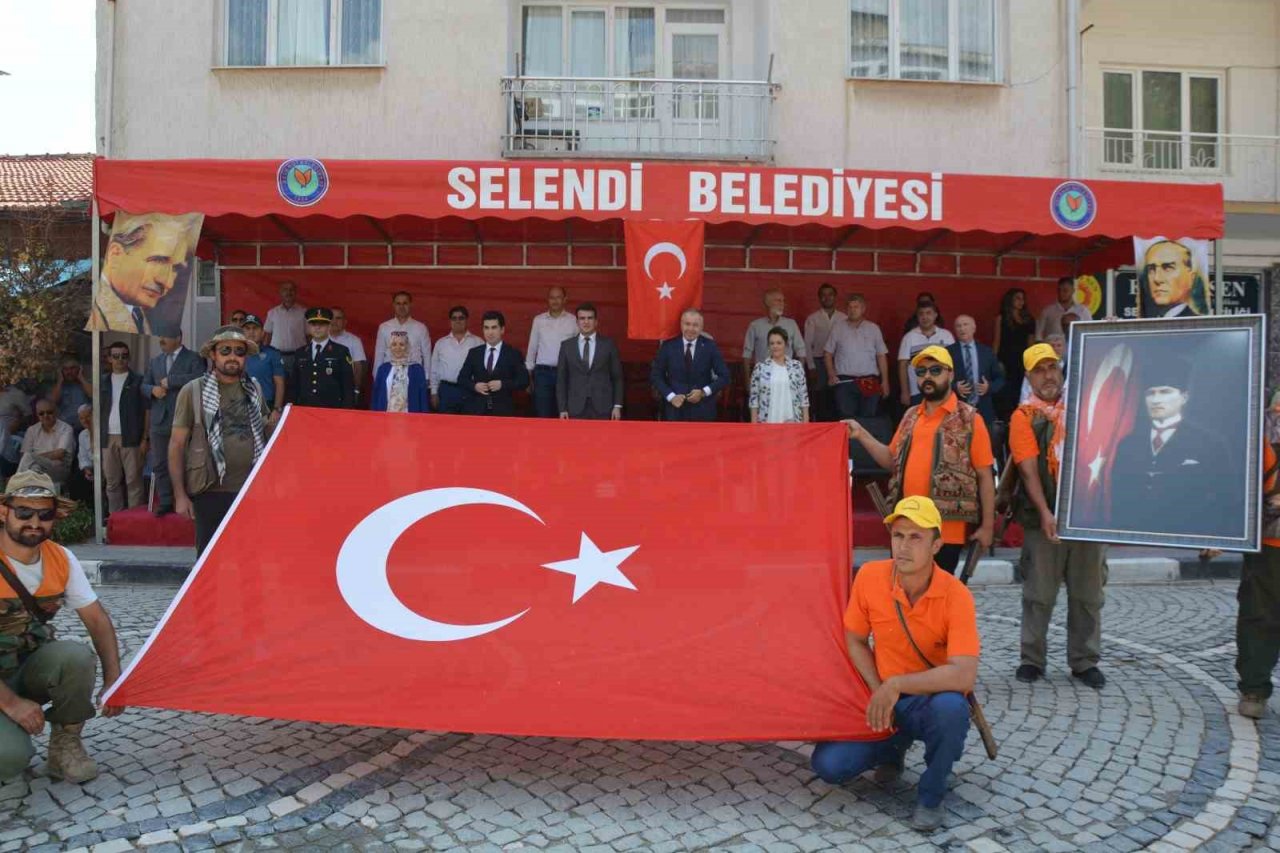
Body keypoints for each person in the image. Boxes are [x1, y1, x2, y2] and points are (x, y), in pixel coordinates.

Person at [811, 496, 978, 832]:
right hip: (883, 695)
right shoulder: (871, 577)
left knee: (952, 709)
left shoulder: (956, 595)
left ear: (936, 545)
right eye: (898, 536)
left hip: (926, 698)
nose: (903, 546)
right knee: (828, 765)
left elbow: (963, 673)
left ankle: (931, 795)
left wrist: (896, 685)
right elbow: (854, 639)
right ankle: (892, 749)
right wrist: (878, 691)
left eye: (916, 537)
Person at [0, 471, 125, 783]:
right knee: (10, 758)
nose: (34, 522)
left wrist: (114, 681)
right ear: (4, 511)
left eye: (45, 514)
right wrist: (12, 705)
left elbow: (96, 619)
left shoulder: (61, 558)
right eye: (24, 512)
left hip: (25, 666)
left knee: (75, 657)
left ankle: (65, 745)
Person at [1009, 344, 1108, 690]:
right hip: (1043, 521)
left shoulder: (1084, 408)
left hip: (1088, 519)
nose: (1048, 375)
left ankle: (1084, 661)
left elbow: (1111, 387)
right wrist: (1045, 512)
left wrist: (1108, 340)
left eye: (1052, 367)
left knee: (1088, 595)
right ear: (1029, 377)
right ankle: (1031, 660)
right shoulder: (1023, 417)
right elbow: (1027, 470)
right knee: (1039, 594)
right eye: (1039, 370)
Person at [848, 346, 996, 575]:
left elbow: (985, 476)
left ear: (951, 374)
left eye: (935, 370)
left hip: (946, 529)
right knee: (903, 594)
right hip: (906, 525)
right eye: (921, 371)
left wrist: (988, 527)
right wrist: (861, 434)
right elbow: (891, 460)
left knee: (936, 599)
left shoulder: (970, 419)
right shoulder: (910, 416)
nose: (927, 376)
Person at [170, 326, 271, 555]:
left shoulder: (254, 388)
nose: (232, 357)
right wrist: (180, 495)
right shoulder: (193, 391)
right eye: (225, 350)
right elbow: (176, 445)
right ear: (213, 355)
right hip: (209, 490)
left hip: (249, 489)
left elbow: (265, 429)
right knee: (209, 560)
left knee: (248, 558)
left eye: (239, 351)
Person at [1109, 358, 1234, 537]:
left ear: (1184, 397)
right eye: (1150, 393)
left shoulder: (1211, 443)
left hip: (1188, 539)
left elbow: (1226, 497)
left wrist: (1219, 539)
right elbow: (1119, 498)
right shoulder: (1128, 444)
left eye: (1165, 392)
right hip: (1135, 540)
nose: (1156, 400)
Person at [88, 213, 197, 336]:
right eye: (159, 260)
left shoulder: (138, 313)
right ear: (115, 254)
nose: (168, 283)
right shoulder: (98, 311)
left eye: (175, 268)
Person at [1237, 437, 1280, 719]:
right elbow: (1246, 485)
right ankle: (1254, 688)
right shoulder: (1264, 440)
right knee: (1260, 615)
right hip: (1271, 545)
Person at [141, 332, 204, 516]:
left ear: (178, 338)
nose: (161, 339)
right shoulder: (155, 361)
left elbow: (200, 378)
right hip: (159, 420)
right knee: (160, 462)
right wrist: (152, 389)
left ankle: (187, 498)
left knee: (186, 461)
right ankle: (166, 500)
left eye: (165, 336)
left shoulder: (193, 358)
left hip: (185, 418)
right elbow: (143, 385)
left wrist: (172, 381)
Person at [650, 309, 729, 422]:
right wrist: (671, 397)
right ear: (681, 325)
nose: (691, 329)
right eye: (687, 324)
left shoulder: (710, 346)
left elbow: (725, 376)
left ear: (701, 327)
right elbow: (656, 375)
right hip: (674, 411)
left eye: (695, 325)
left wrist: (703, 392)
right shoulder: (668, 346)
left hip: (703, 411)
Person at [99, 341, 148, 513]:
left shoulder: (138, 380)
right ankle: (116, 521)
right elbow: (95, 412)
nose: (120, 360)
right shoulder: (102, 381)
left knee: (133, 481)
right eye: (116, 356)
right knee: (111, 482)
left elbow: (147, 410)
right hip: (107, 437)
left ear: (129, 358)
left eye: (124, 356)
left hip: (131, 437)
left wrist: (144, 438)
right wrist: (94, 440)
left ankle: (135, 522)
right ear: (109, 359)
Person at [824, 293, 890, 419]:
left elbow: (881, 355)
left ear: (863, 309)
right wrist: (831, 375)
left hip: (869, 381)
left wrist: (885, 381)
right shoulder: (838, 328)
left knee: (869, 417)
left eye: (856, 307)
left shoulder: (873, 328)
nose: (852, 310)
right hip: (845, 382)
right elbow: (828, 353)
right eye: (850, 307)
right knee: (847, 420)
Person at [557, 303, 624, 421]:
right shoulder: (566, 346)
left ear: (596, 321)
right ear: (577, 322)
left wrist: (617, 406)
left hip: (603, 406)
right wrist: (562, 409)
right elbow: (561, 380)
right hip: (575, 407)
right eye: (582, 318)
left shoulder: (608, 345)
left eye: (590, 318)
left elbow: (617, 377)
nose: (586, 322)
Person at [457, 311, 529, 417]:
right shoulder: (474, 353)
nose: (490, 332)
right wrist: (475, 386)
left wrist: (503, 384)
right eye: (486, 328)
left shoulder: (513, 353)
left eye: (494, 327)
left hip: (503, 411)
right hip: (477, 410)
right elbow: (462, 378)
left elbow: (524, 380)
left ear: (502, 330)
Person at [526, 286, 578, 418]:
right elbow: (532, 348)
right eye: (552, 298)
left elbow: (579, 349)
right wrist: (528, 376)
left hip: (566, 373)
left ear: (565, 299)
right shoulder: (539, 320)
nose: (555, 301)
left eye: (558, 297)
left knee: (564, 413)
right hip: (542, 374)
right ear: (547, 300)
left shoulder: (573, 321)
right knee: (543, 413)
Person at [946, 315, 1005, 431]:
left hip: (983, 409)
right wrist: (954, 387)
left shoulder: (986, 352)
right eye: (958, 326)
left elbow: (1000, 379)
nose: (962, 329)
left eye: (965, 325)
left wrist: (989, 387)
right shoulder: (948, 352)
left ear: (974, 328)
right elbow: (941, 380)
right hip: (957, 410)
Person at [742, 289, 806, 391]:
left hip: (786, 379)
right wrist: (748, 381)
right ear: (767, 303)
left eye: (783, 301)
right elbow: (747, 355)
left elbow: (801, 351)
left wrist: (798, 377)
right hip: (762, 379)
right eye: (778, 300)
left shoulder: (791, 324)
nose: (782, 304)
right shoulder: (755, 326)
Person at [292, 308, 356, 410]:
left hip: (332, 409)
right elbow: (294, 384)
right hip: (304, 409)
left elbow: (347, 385)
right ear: (308, 327)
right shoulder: (300, 353)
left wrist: (346, 411)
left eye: (322, 324)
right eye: (313, 324)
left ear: (329, 326)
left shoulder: (341, 351)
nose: (317, 327)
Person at [898, 303, 955, 407]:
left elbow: (953, 363)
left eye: (928, 313)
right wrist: (905, 392)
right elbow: (903, 366)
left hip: (941, 390)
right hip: (917, 391)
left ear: (935, 315)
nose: (925, 317)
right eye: (921, 314)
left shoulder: (946, 336)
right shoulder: (909, 337)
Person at [749, 328, 810, 424]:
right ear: (768, 346)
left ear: (785, 344)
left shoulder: (796, 367)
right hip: (767, 422)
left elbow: (804, 397)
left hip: (792, 423)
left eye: (779, 343)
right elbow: (754, 399)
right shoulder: (760, 368)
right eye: (772, 343)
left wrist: (805, 422)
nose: (775, 346)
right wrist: (754, 424)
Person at [992, 288, 1036, 420]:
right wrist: (994, 362)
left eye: (1023, 298)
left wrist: (1031, 363)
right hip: (1005, 361)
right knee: (1006, 392)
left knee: (1020, 391)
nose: (1021, 301)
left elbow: (1031, 343)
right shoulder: (1001, 318)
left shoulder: (1029, 319)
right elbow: (996, 341)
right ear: (1010, 299)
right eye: (1017, 298)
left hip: (1022, 361)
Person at [430, 306, 483, 415]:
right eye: (454, 318)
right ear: (450, 321)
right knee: (446, 427)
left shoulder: (478, 342)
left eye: (461, 318)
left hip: (469, 390)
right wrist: (434, 393)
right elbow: (434, 370)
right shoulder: (441, 343)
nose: (458, 321)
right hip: (447, 390)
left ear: (467, 320)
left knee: (468, 427)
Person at [1140, 239, 1209, 318]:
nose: (1157, 279)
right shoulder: (1147, 324)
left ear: (1191, 278)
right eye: (1151, 269)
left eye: (1168, 268)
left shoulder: (1196, 325)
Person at [263, 281, 307, 401]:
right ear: (280, 292)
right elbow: (267, 336)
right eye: (285, 289)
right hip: (277, 356)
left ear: (296, 292)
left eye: (291, 289)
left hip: (298, 356)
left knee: (298, 385)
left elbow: (309, 336)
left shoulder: (303, 313)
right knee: (278, 385)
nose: (288, 292)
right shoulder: (272, 313)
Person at [17, 401, 75, 489]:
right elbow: (23, 456)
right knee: (34, 468)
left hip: (59, 468)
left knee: (29, 457)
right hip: (39, 468)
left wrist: (35, 458)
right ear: (37, 415)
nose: (45, 416)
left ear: (56, 412)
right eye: (41, 413)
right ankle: (31, 498)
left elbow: (60, 453)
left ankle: (15, 486)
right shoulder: (32, 430)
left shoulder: (66, 428)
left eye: (49, 412)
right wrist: (36, 460)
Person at [373, 292, 431, 380]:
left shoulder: (420, 328)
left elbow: (427, 355)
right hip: (389, 374)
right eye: (398, 303)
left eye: (405, 303)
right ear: (393, 305)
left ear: (411, 304)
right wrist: (377, 378)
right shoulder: (384, 327)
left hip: (413, 374)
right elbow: (379, 355)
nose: (401, 307)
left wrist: (427, 378)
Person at [804, 283, 841, 420]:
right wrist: (811, 366)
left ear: (835, 297)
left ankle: (835, 423)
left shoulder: (843, 318)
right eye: (823, 295)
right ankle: (820, 422)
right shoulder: (812, 318)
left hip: (838, 362)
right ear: (819, 298)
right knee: (820, 396)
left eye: (830, 294)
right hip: (818, 362)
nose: (827, 297)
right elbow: (807, 344)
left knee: (837, 394)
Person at [241, 314, 285, 427]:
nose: (251, 332)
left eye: (255, 328)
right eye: (247, 328)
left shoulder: (272, 354)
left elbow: (279, 383)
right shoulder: (235, 354)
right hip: (240, 406)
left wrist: (277, 409)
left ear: (262, 332)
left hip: (266, 407)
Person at [372, 331, 429, 414]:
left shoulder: (417, 370)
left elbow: (423, 399)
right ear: (390, 347)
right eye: (394, 344)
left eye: (401, 344)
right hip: (385, 419)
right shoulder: (383, 369)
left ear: (407, 346)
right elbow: (376, 397)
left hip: (410, 419)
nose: (397, 348)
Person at [1036, 276, 1092, 342]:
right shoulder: (1047, 311)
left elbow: (1090, 332)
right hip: (1053, 349)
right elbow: (1038, 336)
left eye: (1065, 291)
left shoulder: (1083, 310)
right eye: (1059, 290)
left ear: (1073, 291)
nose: (1061, 293)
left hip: (1076, 348)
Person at [329, 307, 369, 395]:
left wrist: (356, 389)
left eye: (338, 318)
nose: (334, 321)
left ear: (345, 322)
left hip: (345, 387)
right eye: (331, 318)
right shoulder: (320, 339)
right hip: (324, 387)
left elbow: (358, 367)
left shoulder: (354, 340)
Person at [48, 357, 92, 433]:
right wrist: (60, 381)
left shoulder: (86, 383)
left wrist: (81, 378)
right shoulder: (58, 386)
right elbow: (52, 401)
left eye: (72, 368)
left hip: (84, 428)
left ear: (79, 369)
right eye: (65, 369)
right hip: (64, 430)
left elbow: (94, 395)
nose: (69, 372)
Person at [70, 405, 95, 506]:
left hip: (105, 467)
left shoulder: (102, 432)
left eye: (88, 416)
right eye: (81, 418)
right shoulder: (82, 435)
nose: (85, 420)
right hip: (91, 468)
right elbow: (82, 456)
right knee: (76, 479)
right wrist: (87, 469)